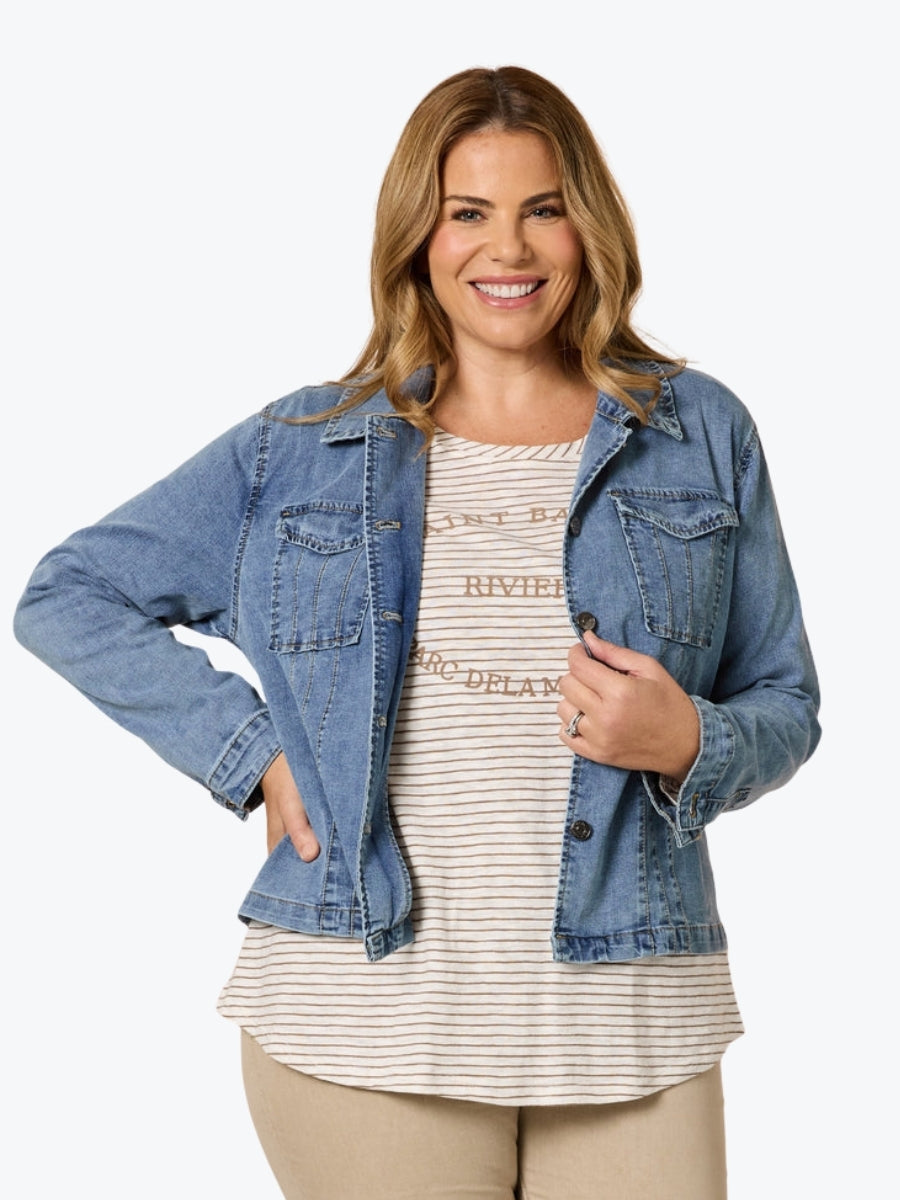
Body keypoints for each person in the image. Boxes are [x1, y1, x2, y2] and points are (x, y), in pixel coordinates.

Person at [14, 65, 820, 1199]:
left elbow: (786, 700)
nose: (509, 249)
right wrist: (258, 758)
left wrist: (690, 739)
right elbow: (71, 592)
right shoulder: (303, 446)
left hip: (633, 1013)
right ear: (418, 238)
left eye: (544, 209)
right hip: (362, 1014)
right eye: (468, 213)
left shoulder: (696, 431)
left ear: (588, 227)